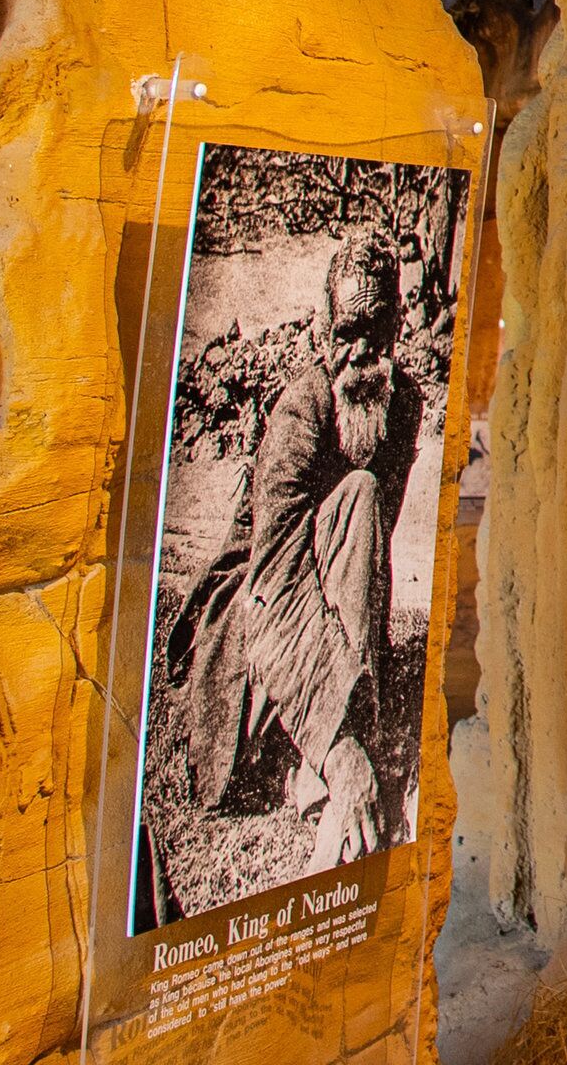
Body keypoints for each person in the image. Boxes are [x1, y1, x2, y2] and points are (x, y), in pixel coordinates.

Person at [163, 236, 425, 894]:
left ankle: (331, 751)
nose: (362, 351)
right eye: (347, 331)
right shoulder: (300, 408)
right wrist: (339, 747)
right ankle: (326, 762)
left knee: (363, 499)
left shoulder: (403, 404)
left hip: (317, 631)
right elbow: (274, 583)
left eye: (376, 329)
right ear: (323, 326)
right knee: (360, 495)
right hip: (254, 630)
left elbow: (370, 564)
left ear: (397, 324)